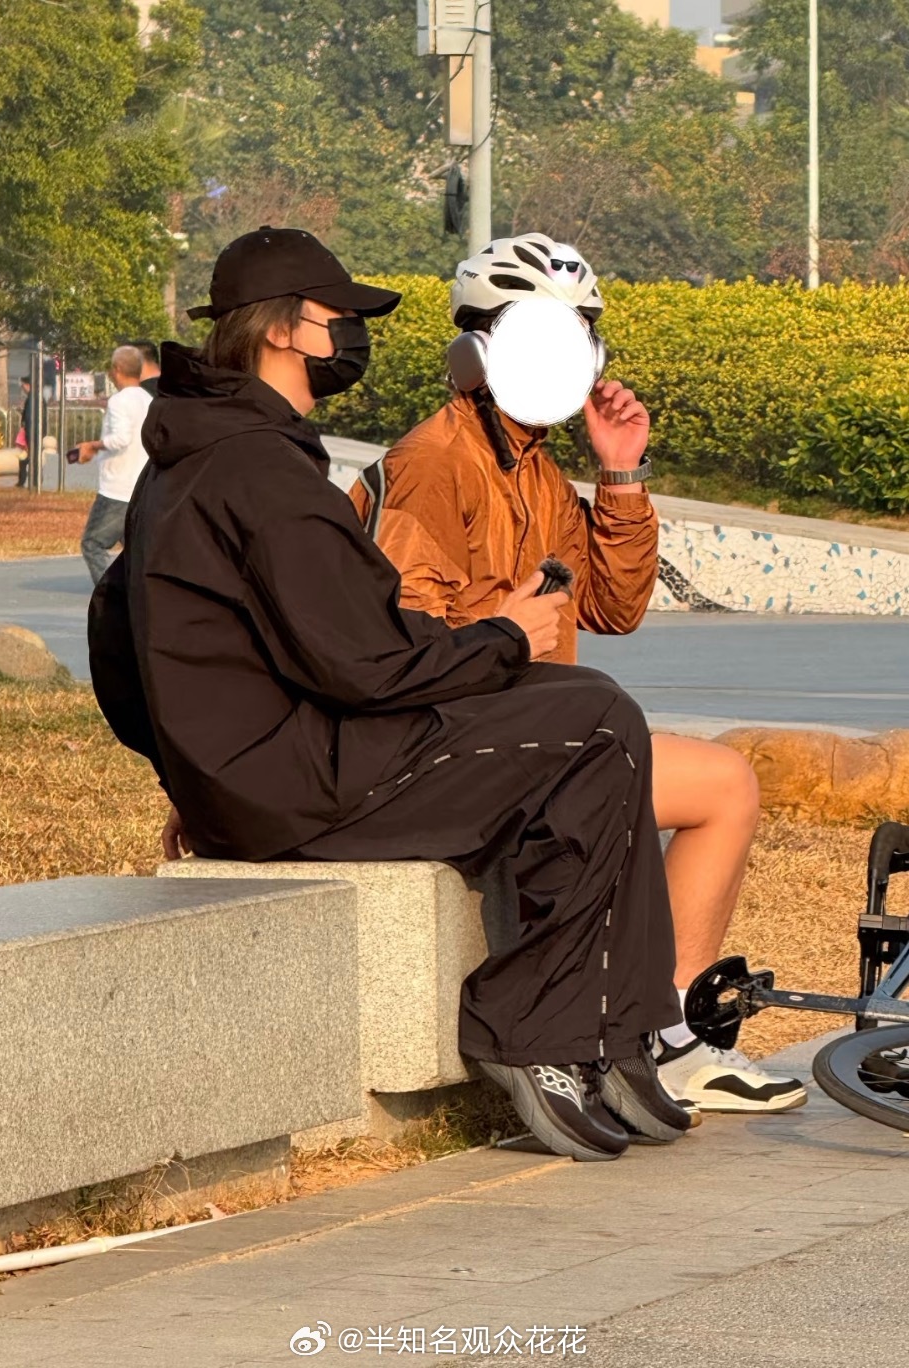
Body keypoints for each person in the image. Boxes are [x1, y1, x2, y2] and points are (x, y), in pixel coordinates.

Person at [88, 226, 691, 1163]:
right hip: (302, 788)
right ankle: (536, 1029)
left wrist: (186, 768)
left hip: (271, 776)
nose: (353, 339)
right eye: (342, 320)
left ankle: (610, 1026)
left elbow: (115, 626)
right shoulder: (261, 469)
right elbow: (368, 663)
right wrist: (506, 637)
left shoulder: (206, 457)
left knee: (588, 718)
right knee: (596, 722)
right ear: (287, 331)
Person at [349, 234, 805, 1116]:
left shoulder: (537, 470)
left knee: (724, 787)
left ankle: (669, 1031)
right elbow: (404, 644)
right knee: (702, 775)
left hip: (543, 733)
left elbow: (610, 606)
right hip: (454, 745)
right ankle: (655, 1037)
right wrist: (504, 630)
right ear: (476, 347)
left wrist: (622, 474)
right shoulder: (432, 469)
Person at [75, 345, 153, 585]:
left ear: (116, 370)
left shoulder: (119, 401)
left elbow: (120, 439)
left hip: (116, 489)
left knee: (92, 544)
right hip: (140, 487)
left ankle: (107, 597)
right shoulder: (148, 400)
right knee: (134, 551)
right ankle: (138, 597)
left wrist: (93, 445)